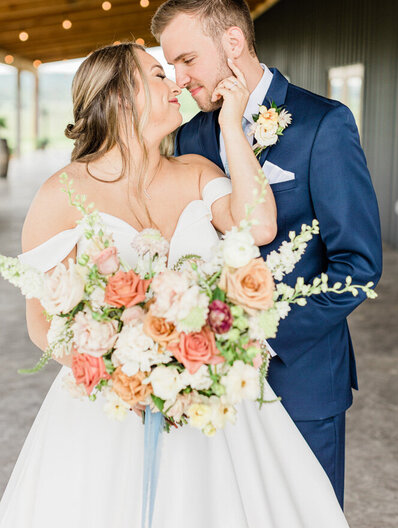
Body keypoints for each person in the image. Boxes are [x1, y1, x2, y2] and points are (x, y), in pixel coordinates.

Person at [0, 43, 350, 527]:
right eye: (159, 75)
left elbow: (260, 224)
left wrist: (231, 128)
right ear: (122, 97)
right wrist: (120, 368)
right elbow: (41, 321)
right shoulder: (60, 193)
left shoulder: (197, 172)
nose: (176, 85)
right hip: (109, 405)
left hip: (211, 401)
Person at [151, 0, 382, 508]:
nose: (180, 80)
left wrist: (257, 331)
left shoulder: (325, 123)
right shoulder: (193, 137)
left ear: (233, 42)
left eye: (187, 60)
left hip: (303, 382)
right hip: (212, 389)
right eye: (172, 66)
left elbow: (359, 266)